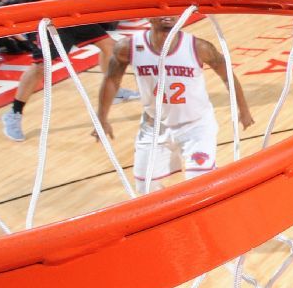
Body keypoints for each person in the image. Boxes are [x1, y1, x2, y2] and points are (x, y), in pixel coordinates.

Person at [0, 0, 138, 143]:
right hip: (48, 18)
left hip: (67, 13)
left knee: (109, 46)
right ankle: (14, 113)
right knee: (41, 68)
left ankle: (114, 91)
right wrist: (56, 3)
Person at [96, 15, 253, 193]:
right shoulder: (128, 47)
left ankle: (213, 180)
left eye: (172, 11)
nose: (167, 15)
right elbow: (112, 80)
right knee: (145, 187)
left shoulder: (199, 47)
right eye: (160, 10)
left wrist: (244, 109)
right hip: (154, 126)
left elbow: (228, 77)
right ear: (149, 16)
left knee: (198, 185)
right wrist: (101, 118)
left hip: (196, 126)